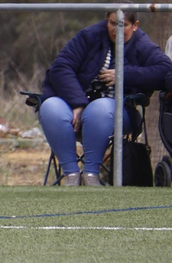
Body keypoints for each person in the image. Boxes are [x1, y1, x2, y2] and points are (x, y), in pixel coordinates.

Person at [37, 11, 171, 186]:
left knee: (99, 109)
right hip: (75, 104)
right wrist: (77, 103)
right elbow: (61, 67)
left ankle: (91, 175)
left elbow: (165, 71)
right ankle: (71, 175)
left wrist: (123, 75)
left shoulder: (143, 44)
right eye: (112, 23)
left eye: (123, 25)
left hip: (119, 111)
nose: (116, 30)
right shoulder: (88, 36)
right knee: (50, 106)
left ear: (135, 25)